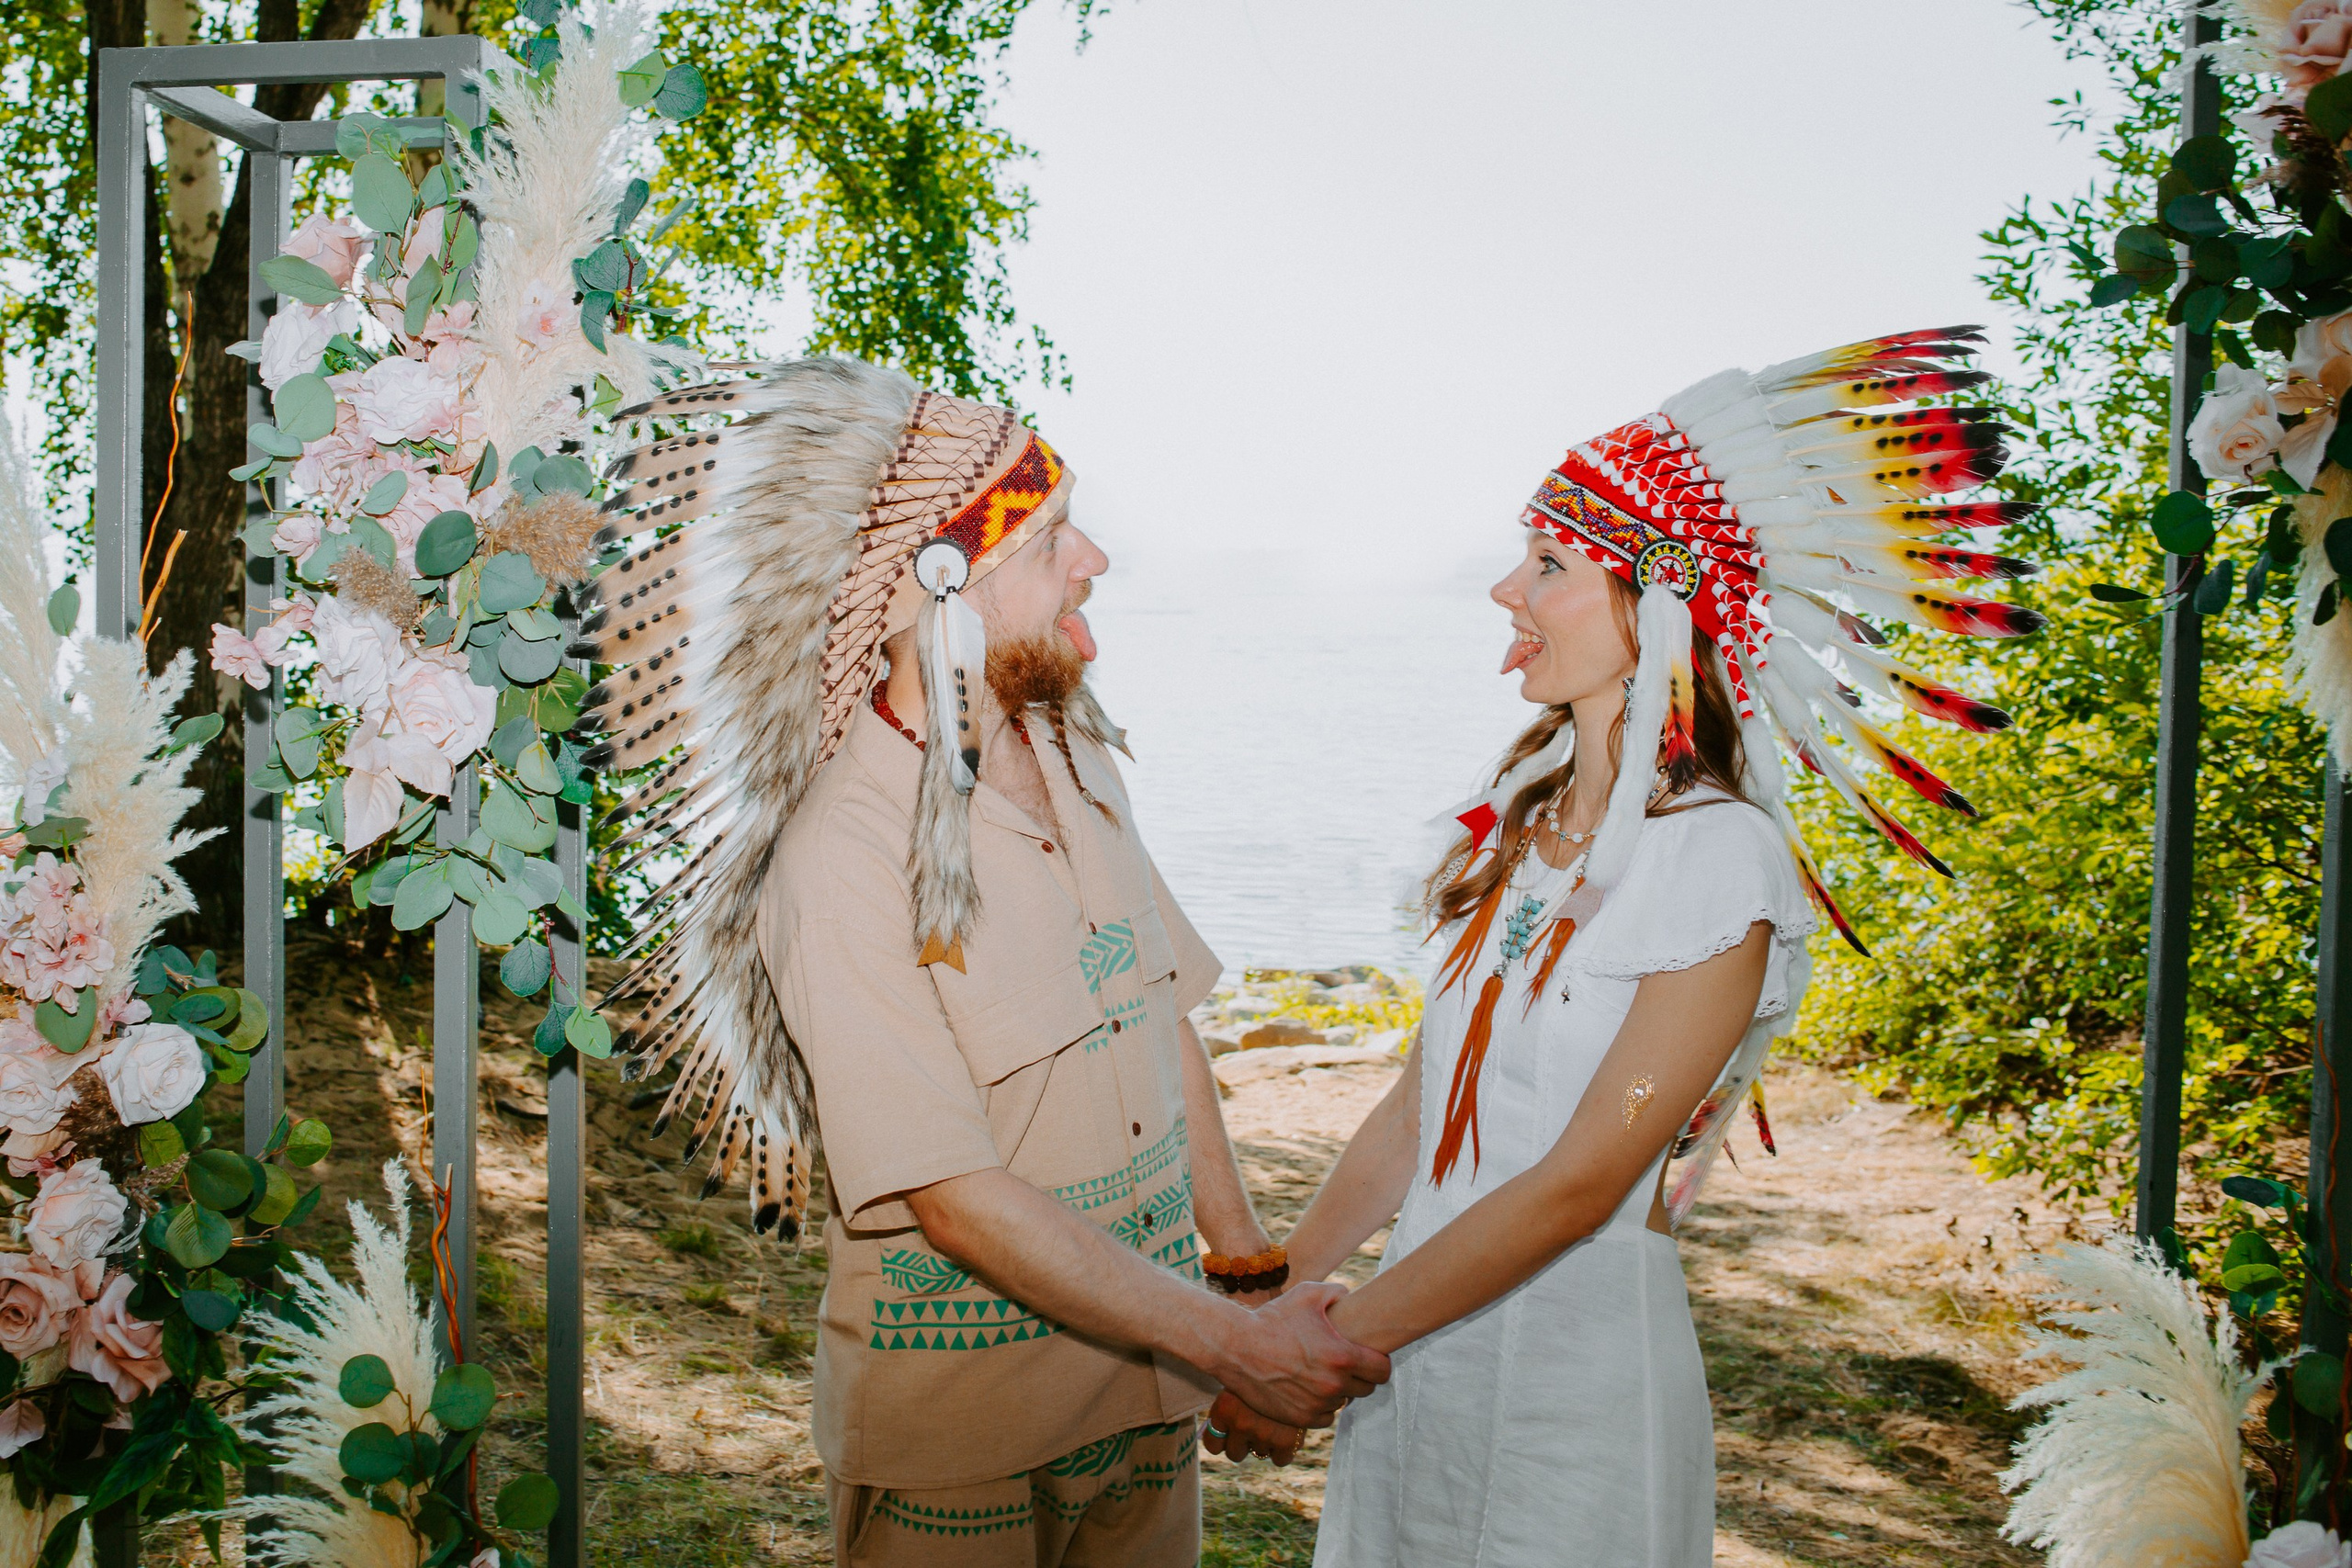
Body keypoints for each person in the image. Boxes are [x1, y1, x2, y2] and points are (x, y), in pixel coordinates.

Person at [1197, 328, 2044, 1564]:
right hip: (1419, 1354)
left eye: (1547, 564)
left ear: (1655, 600)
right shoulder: (1521, 831)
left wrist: (1325, 1359)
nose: (1506, 591)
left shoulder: (1719, 866)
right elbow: (1425, 1097)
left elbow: (1590, 1175)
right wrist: (1274, 1305)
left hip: (1569, 1385)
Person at [579, 357, 1389, 1567]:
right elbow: (952, 1199)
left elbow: (1162, 1021)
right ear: (941, 576)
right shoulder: (839, 857)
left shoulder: (1073, 749)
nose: (1095, 559)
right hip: (963, 1446)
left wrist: (1248, 1288)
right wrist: (1232, 1349)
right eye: (1056, 533)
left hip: (1150, 1409)